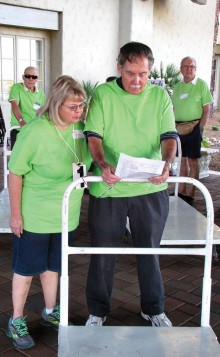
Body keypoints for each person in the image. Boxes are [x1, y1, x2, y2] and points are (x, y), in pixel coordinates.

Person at [84, 41, 178, 327]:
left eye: (143, 74)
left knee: (149, 252)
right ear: (119, 67)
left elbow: (169, 137)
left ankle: (153, 308)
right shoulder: (102, 94)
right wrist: (102, 164)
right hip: (109, 186)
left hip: (149, 188)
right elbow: (94, 137)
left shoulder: (160, 96)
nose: (137, 81)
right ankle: (97, 312)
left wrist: (167, 163)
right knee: (103, 252)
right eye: (130, 73)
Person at [7, 75, 91, 350]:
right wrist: (16, 214)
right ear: (56, 104)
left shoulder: (80, 129)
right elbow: (15, 173)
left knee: (54, 265)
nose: (79, 111)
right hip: (36, 215)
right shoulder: (34, 132)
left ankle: (49, 311)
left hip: (66, 214)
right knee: (26, 268)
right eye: (73, 106)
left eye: (82, 105)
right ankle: (16, 319)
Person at [172, 57, 213, 205]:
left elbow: (207, 108)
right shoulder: (177, 87)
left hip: (194, 127)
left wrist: (200, 128)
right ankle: (181, 191)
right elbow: (173, 108)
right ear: (181, 69)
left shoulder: (201, 85)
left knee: (193, 160)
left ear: (195, 69)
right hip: (178, 128)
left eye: (192, 66)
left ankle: (191, 194)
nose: (189, 69)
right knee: (182, 160)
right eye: (186, 66)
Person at [8, 66, 46, 148]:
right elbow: (14, 105)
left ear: (37, 78)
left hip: (35, 130)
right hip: (19, 129)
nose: (31, 79)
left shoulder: (41, 93)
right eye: (28, 76)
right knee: (18, 158)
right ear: (23, 77)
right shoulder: (16, 88)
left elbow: (43, 111)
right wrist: (21, 121)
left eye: (34, 77)